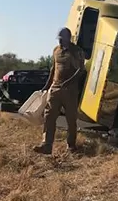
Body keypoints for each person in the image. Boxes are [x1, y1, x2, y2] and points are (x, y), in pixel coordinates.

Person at [34, 27, 86, 155]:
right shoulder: (56, 51)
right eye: (59, 40)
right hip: (55, 89)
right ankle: (46, 145)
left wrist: (69, 81)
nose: (60, 42)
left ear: (69, 38)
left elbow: (81, 70)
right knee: (49, 117)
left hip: (70, 90)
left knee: (71, 119)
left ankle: (71, 146)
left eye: (62, 39)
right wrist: (47, 85)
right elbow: (53, 69)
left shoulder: (77, 51)